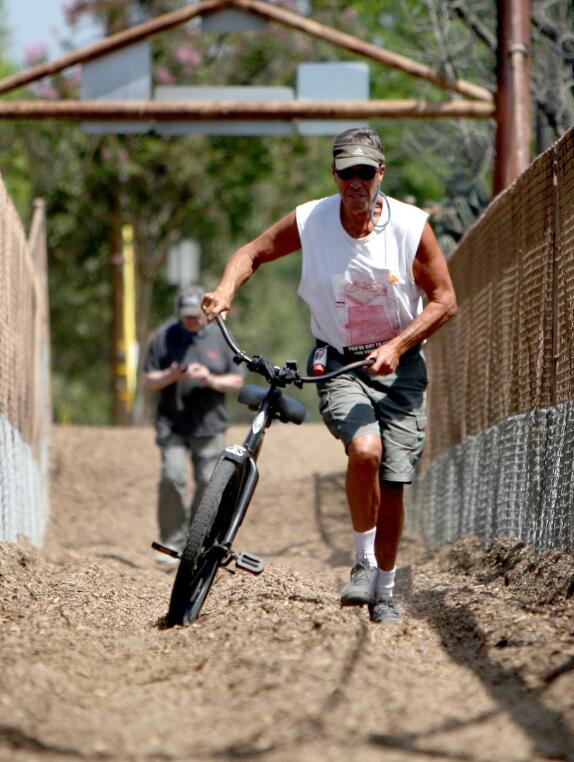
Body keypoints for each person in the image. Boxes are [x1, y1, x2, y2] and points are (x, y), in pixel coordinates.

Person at [202, 128, 457, 623]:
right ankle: (362, 563)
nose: (356, 182)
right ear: (335, 175)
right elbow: (251, 252)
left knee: (395, 480)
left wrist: (399, 345)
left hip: (401, 367)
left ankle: (385, 589)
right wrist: (225, 290)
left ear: (381, 173)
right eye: (347, 172)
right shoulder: (312, 220)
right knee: (365, 449)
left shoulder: (409, 227)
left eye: (366, 172)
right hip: (340, 361)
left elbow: (445, 300)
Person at [144, 286, 244, 564]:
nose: (192, 321)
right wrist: (171, 375)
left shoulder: (221, 336)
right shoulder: (164, 337)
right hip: (172, 424)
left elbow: (236, 381)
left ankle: (196, 540)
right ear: (179, 314)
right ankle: (171, 541)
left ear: (205, 313)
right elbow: (149, 380)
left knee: (207, 484)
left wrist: (209, 378)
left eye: (196, 316)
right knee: (172, 477)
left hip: (210, 425)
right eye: (186, 316)